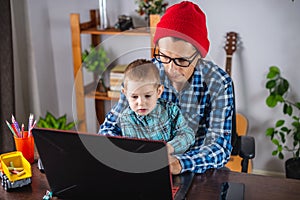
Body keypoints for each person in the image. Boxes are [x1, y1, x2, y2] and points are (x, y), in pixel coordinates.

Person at [99, 1, 234, 175]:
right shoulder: (143, 74)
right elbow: (111, 125)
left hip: (197, 171)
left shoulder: (219, 83)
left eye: (182, 61)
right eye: (164, 56)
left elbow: (220, 147)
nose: (171, 68)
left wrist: (180, 163)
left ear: (199, 55)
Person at [118, 59, 195, 155]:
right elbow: (132, 149)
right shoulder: (126, 118)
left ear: (159, 92)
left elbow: (188, 135)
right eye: (134, 97)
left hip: (171, 162)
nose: (141, 103)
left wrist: (169, 148)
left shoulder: (171, 110)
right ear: (125, 93)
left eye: (147, 96)